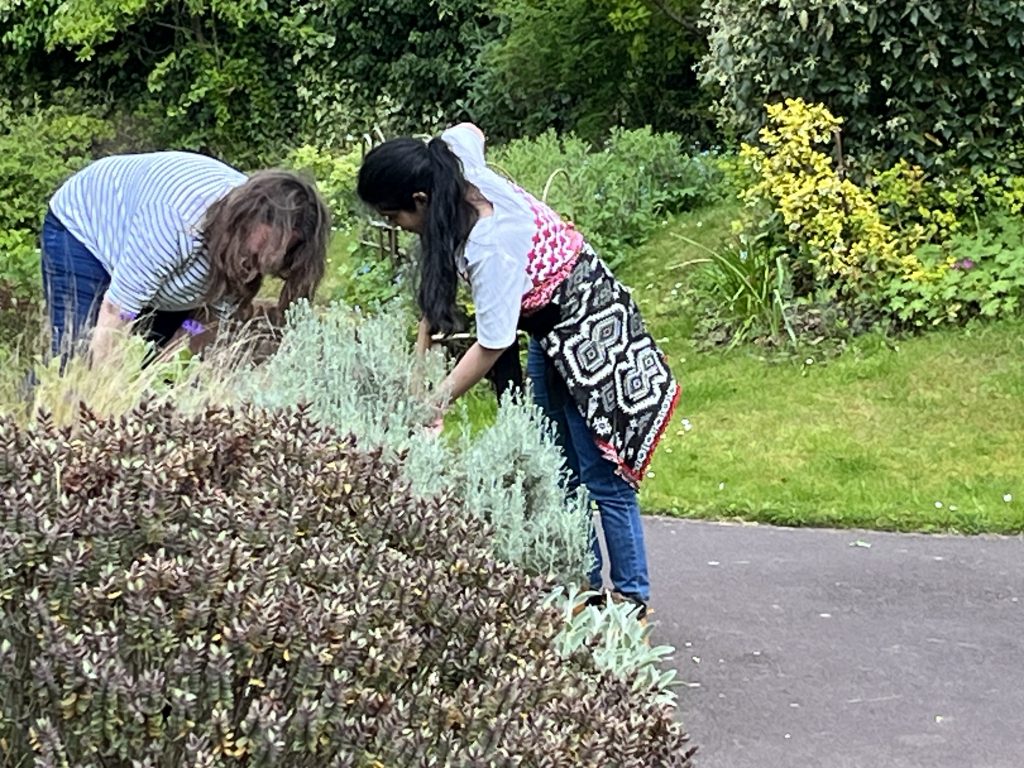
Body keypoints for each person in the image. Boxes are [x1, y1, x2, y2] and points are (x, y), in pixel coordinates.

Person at [357, 123, 680, 619]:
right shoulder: (454, 164)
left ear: (420, 200)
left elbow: (492, 343)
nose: (396, 224)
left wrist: (434, 401)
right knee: (556, 465)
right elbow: (469, 128)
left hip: (592, 331)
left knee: (601, 473)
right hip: (549, 332)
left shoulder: (491, 246)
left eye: (393, 214)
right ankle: (584, 587)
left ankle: (631, 598)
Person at [40, 151, 331, 366]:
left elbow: (202, 324)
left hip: (169, 270)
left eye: (271, 263)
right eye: (258, 252)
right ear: (246, 217)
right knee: (76, 358)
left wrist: (160, 381)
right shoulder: (176, 222)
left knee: (148, 360)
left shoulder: (254, 253)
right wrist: (108, 404)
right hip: (87, 232)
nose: (253, 270)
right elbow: (119, 312)